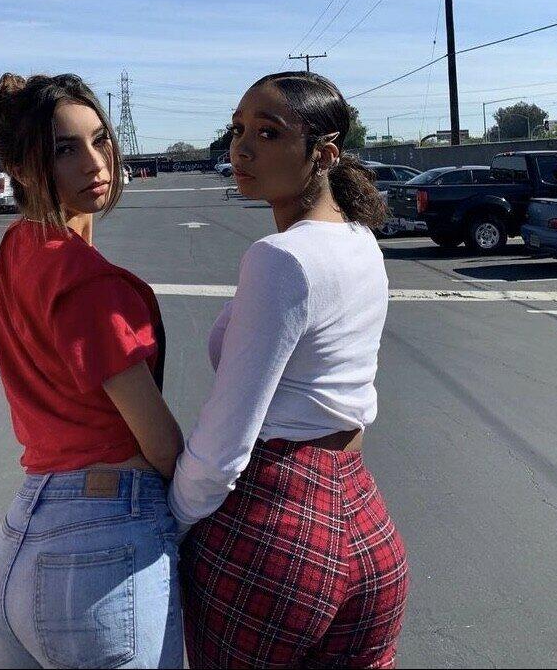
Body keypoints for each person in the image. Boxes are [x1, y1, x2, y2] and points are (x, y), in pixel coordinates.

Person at [169, 71, 409, 668]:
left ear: (323, 154)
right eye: (238, 130)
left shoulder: (282, 257)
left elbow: (226, 438)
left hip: (276, 530)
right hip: (367, 524)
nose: (242, 149)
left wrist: (170, 521)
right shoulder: (360, 239)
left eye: (268, 133)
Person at [0, 72, 184, 669]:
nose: (95, 163)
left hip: (21, 538)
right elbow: (160, 443)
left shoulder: (19, 245)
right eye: (65, 149)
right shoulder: (89, 283)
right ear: (21, 168)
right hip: (101, 552)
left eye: (99, 140)